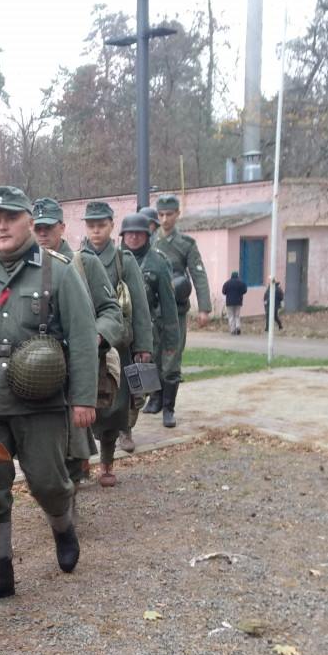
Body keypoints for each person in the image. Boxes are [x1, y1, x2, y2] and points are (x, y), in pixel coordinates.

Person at [0, 186, 97, 606]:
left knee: (49, 482)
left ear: (29, 220)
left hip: (40, 402)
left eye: (10, 217)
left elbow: (83, 338)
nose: (2, 226)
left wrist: (84, 399)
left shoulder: (58, 271)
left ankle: (63, 527)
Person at [31, 197, 123, 485]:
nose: (43, 234)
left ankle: (66, 502)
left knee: (73, 437)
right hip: (38, 370)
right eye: (38, 228)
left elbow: (112, 310)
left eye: (49, 228)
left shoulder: (84, 263)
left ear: (62, 227)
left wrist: (95, 334)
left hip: (76, 366)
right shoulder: (28, 268)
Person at [80, 204, 154, 487]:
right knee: (83, 403)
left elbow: (140, 305)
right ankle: (83, 460)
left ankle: (107, 464)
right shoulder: (77, 258)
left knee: (113, 407)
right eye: (91, 225)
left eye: (101, 224)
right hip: (84, 344)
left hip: (117, 345)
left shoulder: (124, 260)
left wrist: (143, 346)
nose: (96, 230)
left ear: (112, 225)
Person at [149, 193, 212, 429]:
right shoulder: (150, 241)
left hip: (175, 309)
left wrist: (204, 307)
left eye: (169, 214)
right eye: (161, 215)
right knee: (152, 353)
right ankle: (154, 398)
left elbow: (198, 274)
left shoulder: (186, 244)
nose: (164, 219)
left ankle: (168, 408)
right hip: (152, 308)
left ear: (177, 214)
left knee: (172, 357)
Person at [120, 212, 180, 449]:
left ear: (147, 235)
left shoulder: (157, 262)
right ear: (123, 235)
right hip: (117, 331)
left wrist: (171, 338)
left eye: (139, 233)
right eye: (129, 233)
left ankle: (128, 429)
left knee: (138, 387)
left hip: (146, 334)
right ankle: (115, 430)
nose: (133, 238)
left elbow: (168, 304)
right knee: (114, 384)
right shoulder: (115, 258)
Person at [222, 270, 248, 334]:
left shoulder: (227, 283)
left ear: (231, 276)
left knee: (231, 316)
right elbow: (245, 290)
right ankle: (238, 327)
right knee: (237, 316)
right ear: (237, 276)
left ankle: (233, 330)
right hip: (238, 302)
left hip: (229, 302)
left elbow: (223, 292)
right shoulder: (241, 283)